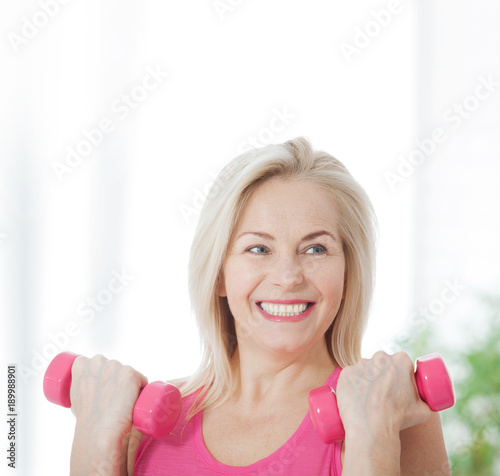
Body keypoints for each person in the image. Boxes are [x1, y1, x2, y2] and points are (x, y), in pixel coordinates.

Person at [69, 137, 451, 475]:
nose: (288, 277)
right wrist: (95, 442)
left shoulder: (397, 413)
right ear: (219, 274)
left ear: (349, 273)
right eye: (258, 249)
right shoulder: (145, 424)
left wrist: (372, 441)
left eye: (316, 249)